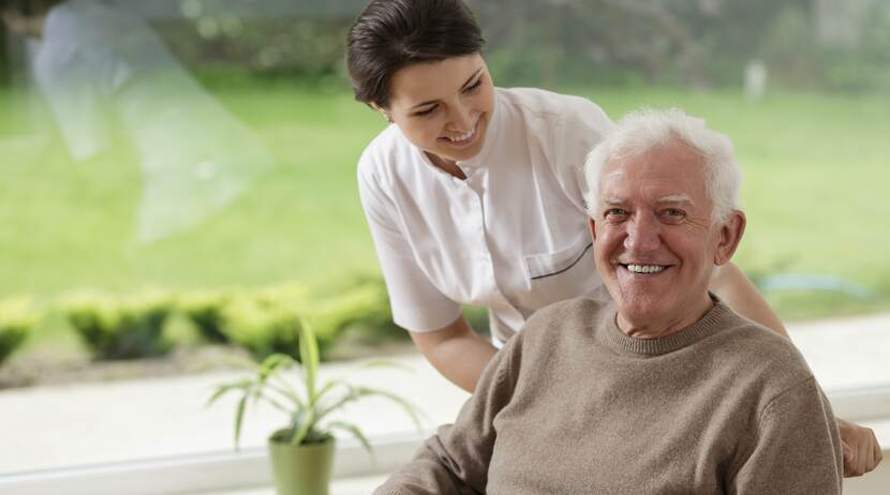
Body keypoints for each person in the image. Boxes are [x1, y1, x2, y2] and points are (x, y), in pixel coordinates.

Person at [346, 0, 880, 476]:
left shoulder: (562, 131)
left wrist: (810, 412)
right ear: (381, 110)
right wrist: (538, 395)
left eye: (473, 86)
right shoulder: (384, 176)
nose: (463, 120)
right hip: (536, 376)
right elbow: (441, 336)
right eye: (427, 109)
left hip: (670, 361)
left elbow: (704, 262)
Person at [374, 108, 848, 494]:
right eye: (618, 213)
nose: (639, 241)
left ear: (725, 237)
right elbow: (448, 466)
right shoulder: (545, 337)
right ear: (595, 230)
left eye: (671, 213)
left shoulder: (771, 392)